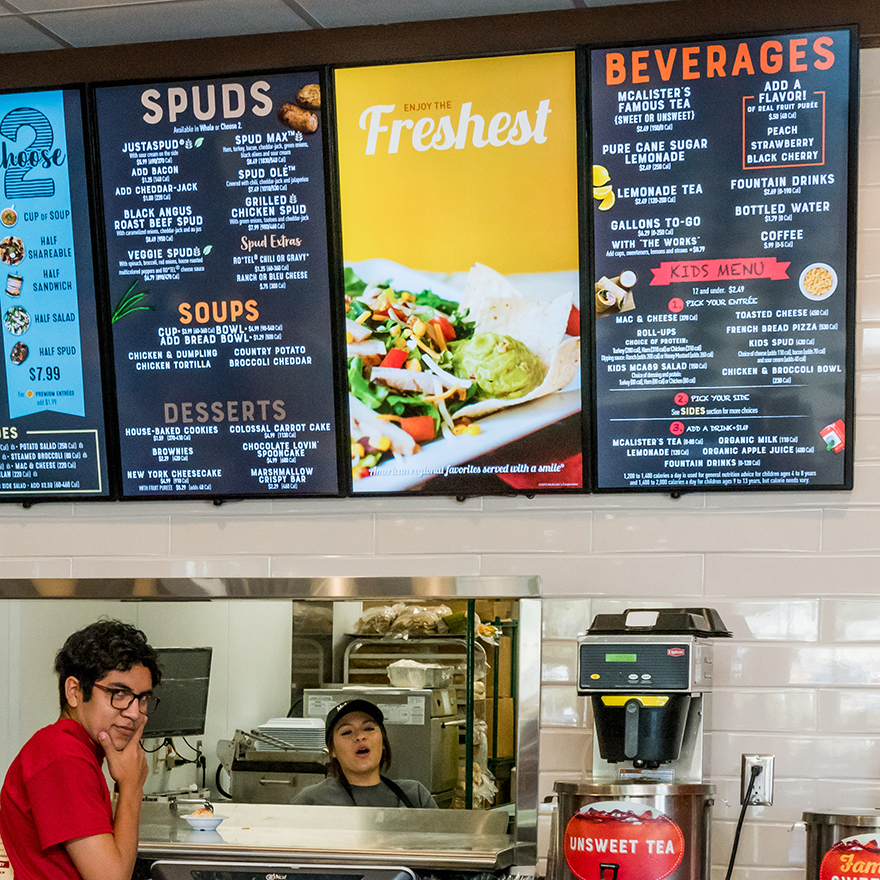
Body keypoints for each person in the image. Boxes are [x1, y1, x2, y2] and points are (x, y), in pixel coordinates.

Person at [0, 619, 161, 880]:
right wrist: (132, 786)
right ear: (74, 691)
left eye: (143, 698)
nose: (134, 712)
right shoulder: (63, 756)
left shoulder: (73, 749)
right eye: (118, 693)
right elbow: (111, 878)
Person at [292, 699, 437, 808]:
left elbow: (439, 846)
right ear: (333, 751)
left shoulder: (415, 795)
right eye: (347, 732)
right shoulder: (311, 801)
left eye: (368, 728)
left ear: (383, 742)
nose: (360, 737)